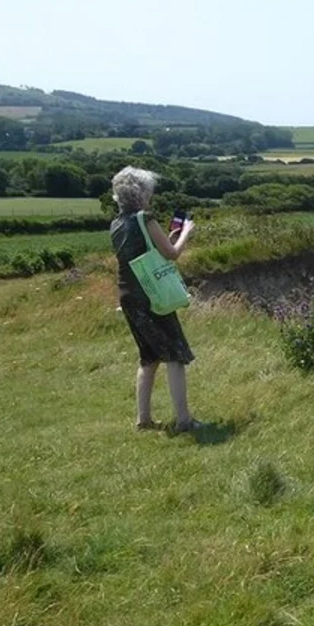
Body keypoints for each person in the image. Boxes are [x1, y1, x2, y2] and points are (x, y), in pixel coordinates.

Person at [109, 166, 200, 432]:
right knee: (175, 355)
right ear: (142, 193)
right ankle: (184, 421)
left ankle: (144, 419)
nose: (151, 195)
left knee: (148, 358)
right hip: (152, 295)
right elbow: (171, 255)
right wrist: (186, 233)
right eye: (149, 191)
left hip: (128, 294)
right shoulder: (145, 218)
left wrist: (167, 239)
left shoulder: (116, 224)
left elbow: (144, 253)